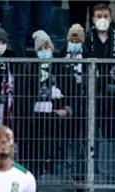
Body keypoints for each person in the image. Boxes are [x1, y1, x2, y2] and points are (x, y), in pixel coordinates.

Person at [16, 30, 77, 175]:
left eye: (47, 47)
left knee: (54, 146)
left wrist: (65, 109)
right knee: (34, 151)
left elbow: (71, 92)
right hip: (33, 121)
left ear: (52, 47)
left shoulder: (61, 68)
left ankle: (54, 167)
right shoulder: (29, 69)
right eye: (40, 48)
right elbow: (23, 96)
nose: (44, 51)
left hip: (55, 118)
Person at [83, 3, 115, 139]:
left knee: (113, 128)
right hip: (94, 92)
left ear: (110, 19)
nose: (102, 19)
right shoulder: (87, 40)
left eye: (105, 16)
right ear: (93, 19)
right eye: (99, 16)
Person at [62, 24, 88, 142]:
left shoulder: (86, 52)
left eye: (77, 40)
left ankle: (77, 142)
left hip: (81, 91)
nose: (74, 42)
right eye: (72, 40)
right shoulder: (63, 51)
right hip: (65, 91)